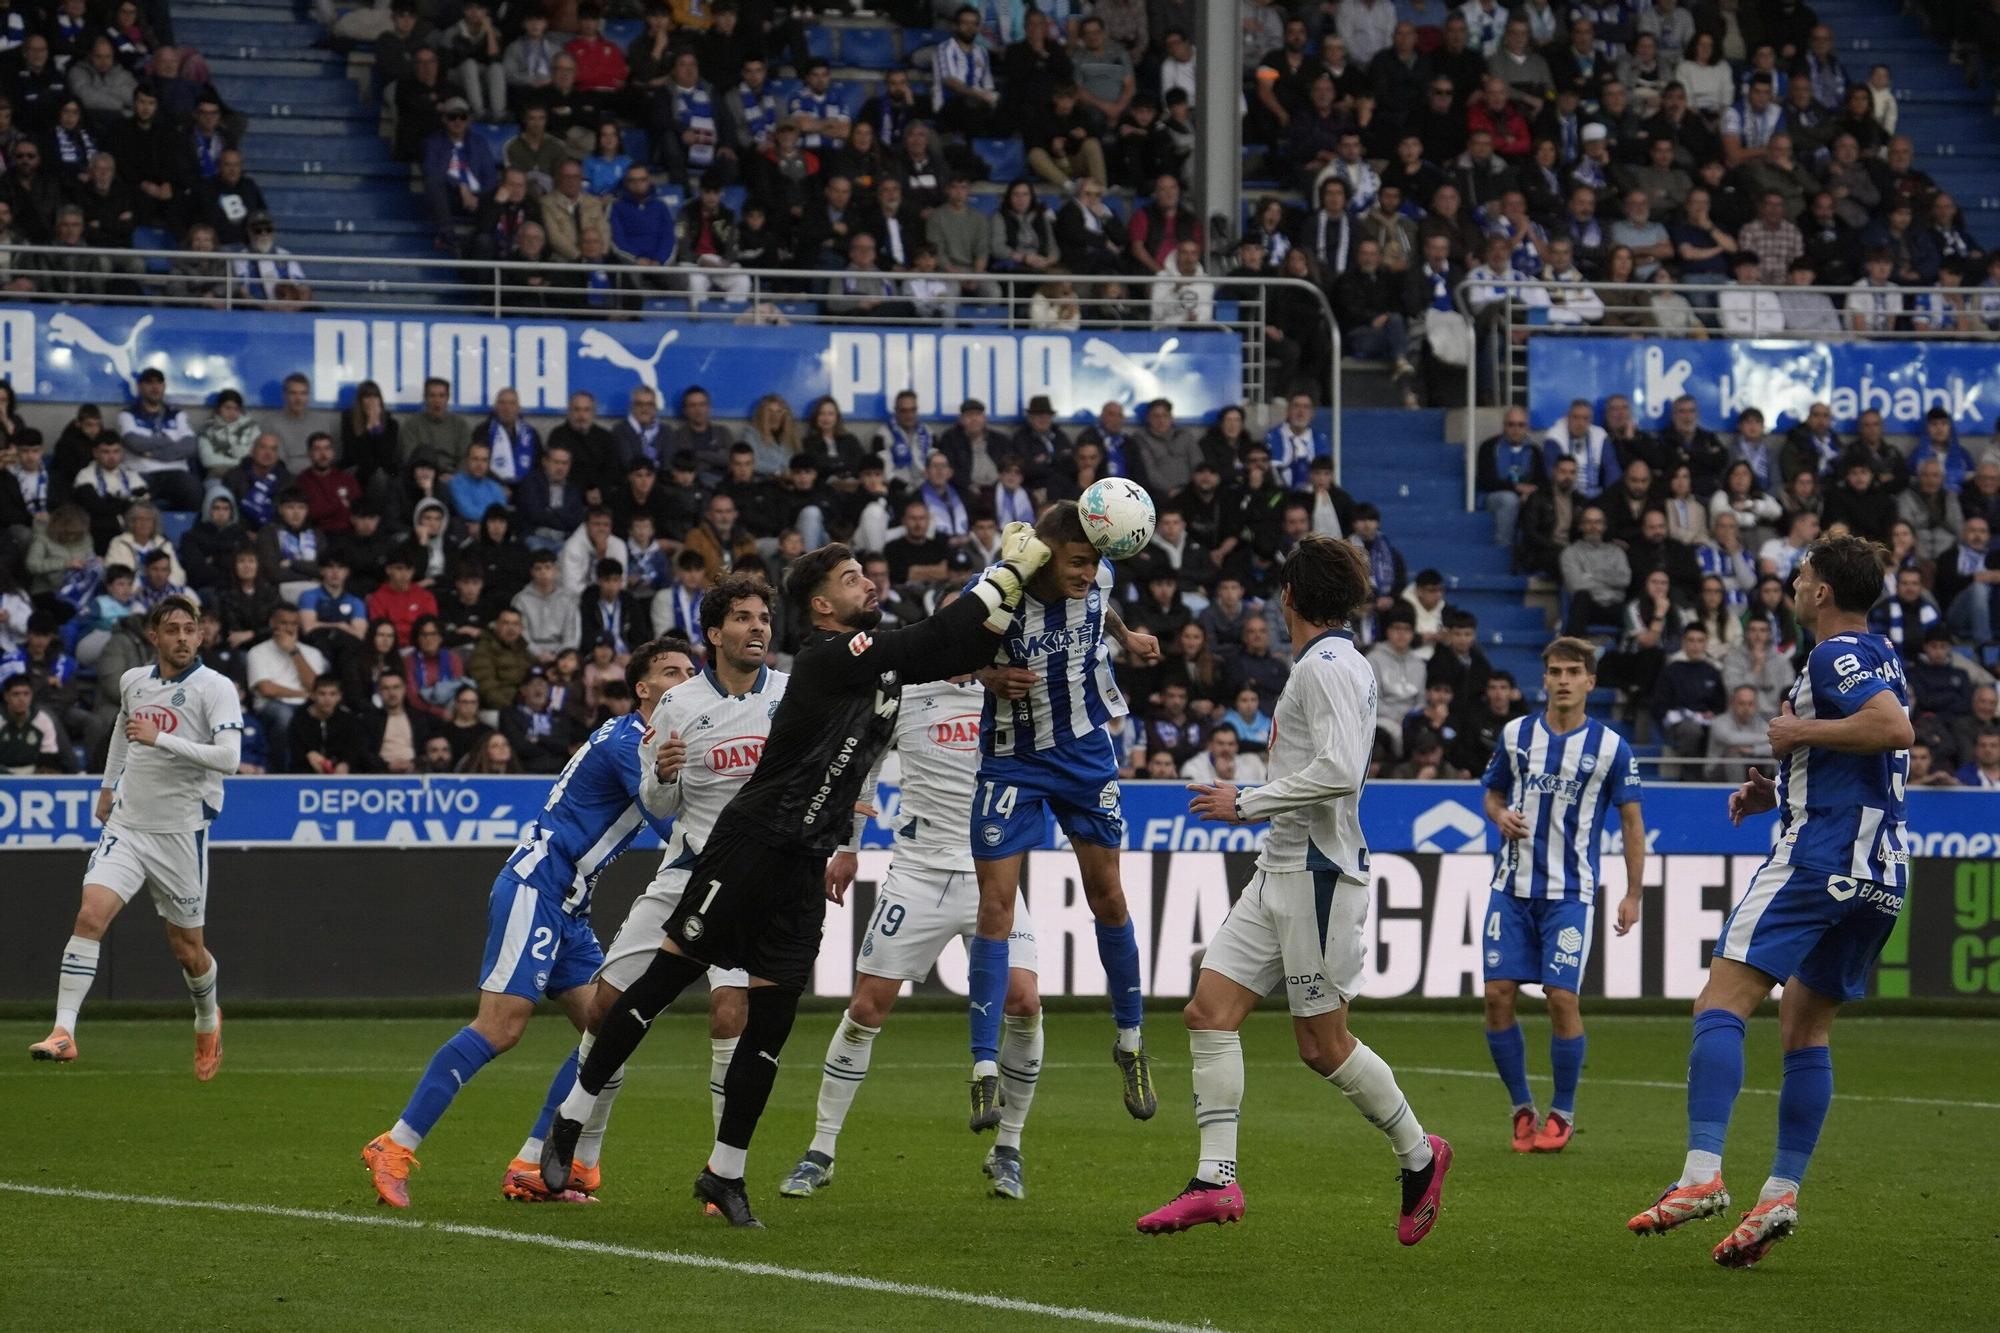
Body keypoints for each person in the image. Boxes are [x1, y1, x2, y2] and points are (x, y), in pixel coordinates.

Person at [537, 528, 1062, 1227]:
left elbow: (959, 645)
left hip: (804, 862)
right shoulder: (827, 658)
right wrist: (1007, 566)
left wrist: (1012, 614)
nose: (867, 583)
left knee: (770, 1024)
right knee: (659, 982)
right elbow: (938, 634)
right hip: (750, 843)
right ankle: (570, 1121)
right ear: (821, 606)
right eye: (852, 578)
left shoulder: (879, 667)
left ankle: (724, 1173)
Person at [1135, 534, 1451, 1243]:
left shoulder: (1330, 665)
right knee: (1209, 1010)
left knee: (1322, 1045)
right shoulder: (1325, 662)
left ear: (1289, 597)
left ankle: (1419, 1154)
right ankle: (1216, 1180)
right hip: (1279, 868)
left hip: (1318, 872)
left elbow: (1341, 769)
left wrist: (1244, 799)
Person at [1628, 535, 1914, 1268]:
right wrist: (1776, 787)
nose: (1793, 581)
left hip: (1818, 861)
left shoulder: (1833, 654)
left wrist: (1796, 733)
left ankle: (1699, 1175)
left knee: (1720, 1001)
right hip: (1879, 874)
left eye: (1804, 573)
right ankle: (1779, 1192)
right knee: (1804, 1029)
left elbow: (1892, 729)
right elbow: (1871, 755)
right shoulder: (1883, 655)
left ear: (1821, 593)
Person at [358, 636, 698, 1208]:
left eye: (692, 671)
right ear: (644, 689)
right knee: (501, 1027)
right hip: (536, 887)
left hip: (570, 903)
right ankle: (394, 1144)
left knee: (607, 1031)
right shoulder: (628, 741)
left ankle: (534, 1165)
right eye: (671, 671)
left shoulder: (657, 745)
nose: (686, 680)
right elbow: (674, 827)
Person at [497, 588, 781, 1203]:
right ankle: (576, 1146)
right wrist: (666, 775)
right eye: (743, 618)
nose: (757, 628)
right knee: (603, 1008)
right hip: (683, 875)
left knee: (732, 1013)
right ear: (715, 633)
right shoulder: (678, 705)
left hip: (753, 883)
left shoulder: (787, 697)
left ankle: (722, 1175)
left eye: (763, 618)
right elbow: (658, 805)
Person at [780, 590, 1043, 1202]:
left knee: (1025, 1002)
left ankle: (1009, 1148)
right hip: (919, 873)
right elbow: (863, 766)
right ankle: (821, 1148)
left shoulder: (1007, 693)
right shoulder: (906, 691)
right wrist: (848, 846)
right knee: (868, 1007)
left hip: (993, 875)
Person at [958, 502, 1163, 1127]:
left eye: (1097, 560)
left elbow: (1102, 603)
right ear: (1044, 554)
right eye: (1077, 561)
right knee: (995, 908)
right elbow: (940, 647)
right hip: (1011, 761)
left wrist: (1124, 636)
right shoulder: (999, 589)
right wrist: (988, 674)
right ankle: (984, 1068)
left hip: (1084, 756)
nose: (1089, 571)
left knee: (1110, 898)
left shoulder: (1096, 579)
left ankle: (1130, 1042)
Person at [31, 598, 239, 1075]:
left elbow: (229, 758)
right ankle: (64, 1031)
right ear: (155, 636)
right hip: (127, 826)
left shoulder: (215, 688)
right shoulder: (133, 681)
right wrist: (108, 786)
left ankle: (208, 1016)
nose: (183, 638)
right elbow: (125, 734)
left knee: (187, 950)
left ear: (201, 636)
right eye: (173, 630)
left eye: (191, 629)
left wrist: (161, 739)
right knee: (90, 915)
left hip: (180, 833)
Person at [1480, 635, 1645, 1152]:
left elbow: (1633, 821)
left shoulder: (1612, 747)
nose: (1564, 680)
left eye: (1574, 672)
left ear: (1591, 682)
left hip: (1570, 893)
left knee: (1561, 998)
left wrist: (1633, 893)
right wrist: (1499, 814)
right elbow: (1492, 792)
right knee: (1496, 996)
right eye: (1555, 672)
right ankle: (1521, 1108)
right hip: (1511, 888)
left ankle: (1564, 1111)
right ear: (1545, 679)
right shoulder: (1515, 735)